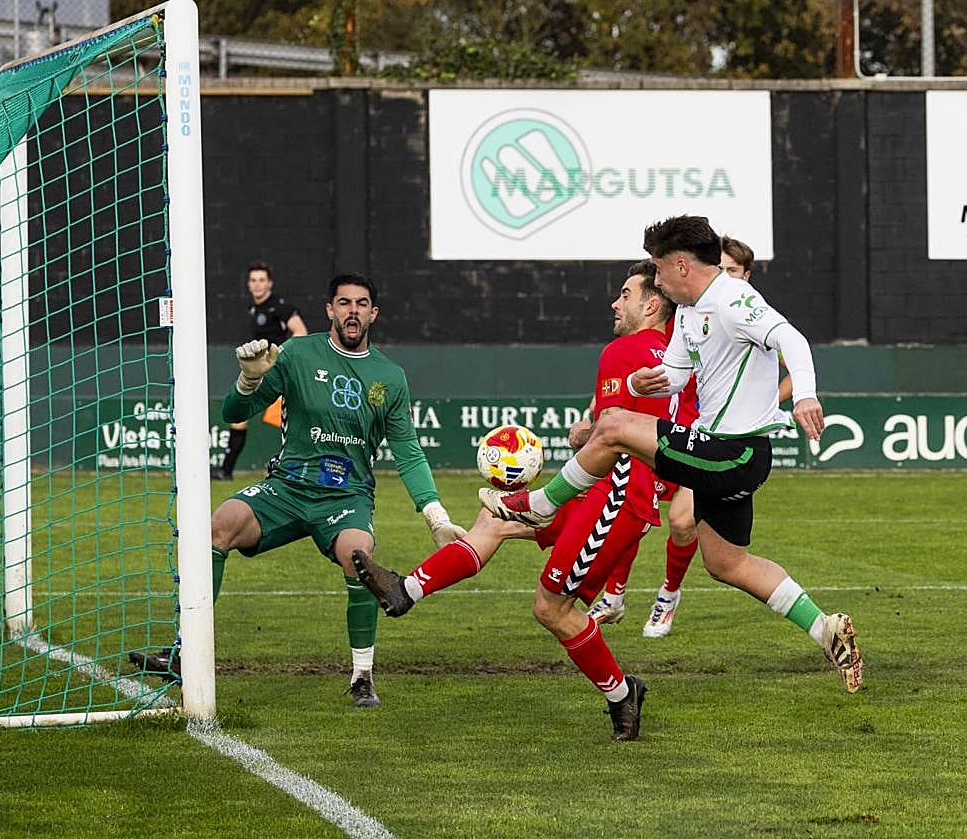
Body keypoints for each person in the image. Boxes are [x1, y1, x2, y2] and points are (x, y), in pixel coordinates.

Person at [481, 215, 864, 693]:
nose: (656, 282)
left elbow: (792, 339)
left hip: (735, 452)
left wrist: (805, 395)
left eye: (659, 270)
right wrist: (648, 380)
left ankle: (540, 505)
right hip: (721, 454)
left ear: (681, 266)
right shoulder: (689, 312)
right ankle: (824, 628)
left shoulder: (732, 299)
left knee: (615, 425)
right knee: (727, 563)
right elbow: (678, 374)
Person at [351, 260, 687, 740]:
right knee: (493, 518)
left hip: (615, 497)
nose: (616, 302)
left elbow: (608, 434)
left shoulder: (623, 350)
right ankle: (406, 590)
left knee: (551, 608)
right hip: (611, 492)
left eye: (626, 294)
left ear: (652, 304)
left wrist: (583, 435)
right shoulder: (676, 356)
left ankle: (622, 694)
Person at [131, 273, 465, 706]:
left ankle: (362, 677)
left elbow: (409, 452)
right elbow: (235, 410)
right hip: (286, 487)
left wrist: (435, 517)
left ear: (374, 313)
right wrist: (248, 382)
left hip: (346, 498)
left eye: (361, 303)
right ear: (329, 310)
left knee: (359, 557)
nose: (352, 311)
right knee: (218, 528)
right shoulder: (295, 354)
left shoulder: (390, 378)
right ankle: (184, 653)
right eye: (343, 303)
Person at [588, 234, 791, 640]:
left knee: (680, 521)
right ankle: (615, 593)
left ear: (744, 276)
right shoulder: (688, 318)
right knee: (717, 559)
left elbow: (789, 351)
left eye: (733, 272)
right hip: (692, 435)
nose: (725, 277)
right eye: (722, 269)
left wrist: (786, 401)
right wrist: (638, 384)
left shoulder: (740, 309)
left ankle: (667, 595)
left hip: (720, 444)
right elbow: (671, 375)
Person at [212, 260, 308, 481]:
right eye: (253, 280)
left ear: (270, 284)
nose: (257, 285)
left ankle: (297, 470)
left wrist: (279, 360)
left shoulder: (280, 307)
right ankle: (226, 471)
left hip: (281, 372)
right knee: (239, 417)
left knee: (290, 420)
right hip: (263, 372)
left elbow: (301, 332)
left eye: (261, 280)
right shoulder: (254, 309)